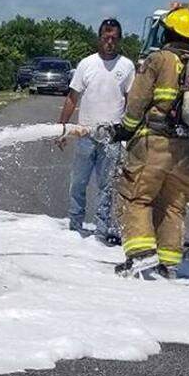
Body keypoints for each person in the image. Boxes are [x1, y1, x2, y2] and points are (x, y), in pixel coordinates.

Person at [111, 7, 189, 278]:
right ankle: (168, 264)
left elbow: (138, 99)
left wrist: (125, 129)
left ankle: (141, 256)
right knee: (173, 205)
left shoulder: (157, 60)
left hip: (155, 143)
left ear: (168, 32)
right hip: (186, 150)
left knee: (135, 197)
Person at [58, 19, 134, 244]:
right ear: (99, 38)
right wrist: (62, 128)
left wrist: (129, 135)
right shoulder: (86, 64)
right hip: (85, 134)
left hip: (111, 137)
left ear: (119, 40)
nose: (109, 42)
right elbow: (72, 98)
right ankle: (75, 226)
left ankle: (101, 230)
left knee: (106, 185)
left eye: (114, 38)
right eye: (105, 37)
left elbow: (131, 103)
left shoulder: (127, 67)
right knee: (78, 182)